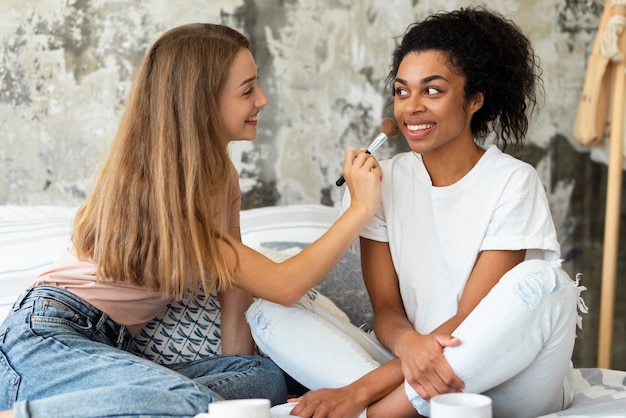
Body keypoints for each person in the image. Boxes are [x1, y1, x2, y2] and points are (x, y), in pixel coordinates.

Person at [0, 23, 382, 418]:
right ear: (201, 103)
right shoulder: (161, 191)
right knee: (196, 405)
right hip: (48, 339)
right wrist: (360, 209)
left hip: (108, 348)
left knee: (262, 379)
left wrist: (244, 395)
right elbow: (283, 286)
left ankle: (115, 405)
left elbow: (235, 297)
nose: (263, 99)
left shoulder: (222, 176)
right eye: (247, 90)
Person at [247, 7, 586, 418]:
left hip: (500, 374)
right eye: (402, 91)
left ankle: (379, 412)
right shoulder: (383, 182)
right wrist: (409, 344)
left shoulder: (514, 181)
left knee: (544, 283)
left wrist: (358, 391)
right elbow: (387, 310)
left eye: (433, 91)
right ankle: (406, 405)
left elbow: (469, 322)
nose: (411, 107)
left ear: (475, 99)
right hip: (411, 366)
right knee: (268, 312)